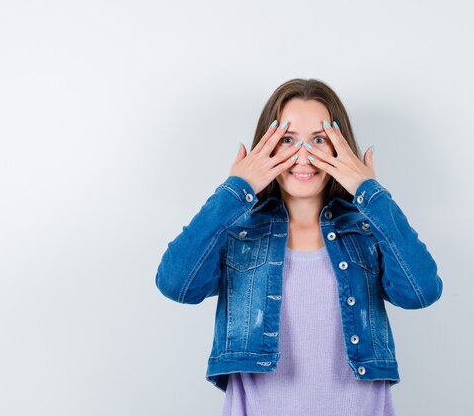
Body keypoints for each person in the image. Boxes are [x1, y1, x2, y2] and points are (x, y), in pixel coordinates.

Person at [155, 78, 443, 416]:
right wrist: (236, 189)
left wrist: (369, 192)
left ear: (340, 148)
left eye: (319, 140)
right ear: (266, 145)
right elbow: (176, 283)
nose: (303, 157)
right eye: (287, 140)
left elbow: (420, 291)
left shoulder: (366, 231)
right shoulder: (238, 232)